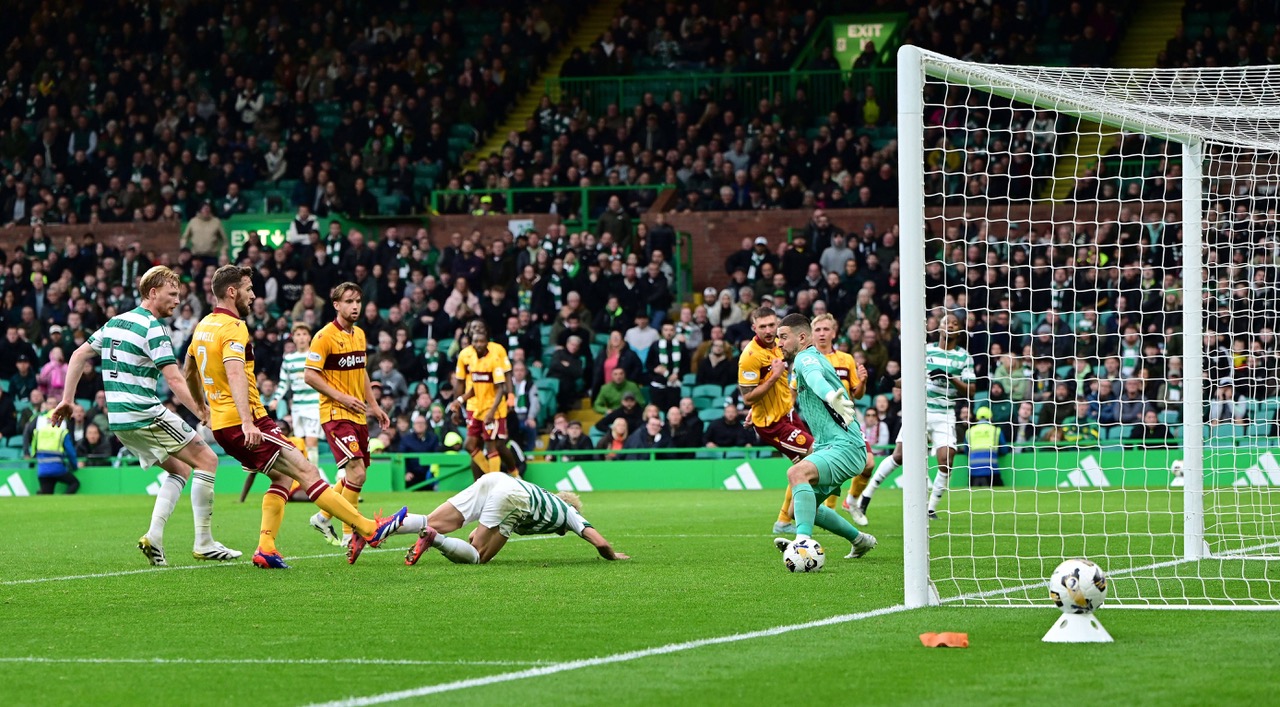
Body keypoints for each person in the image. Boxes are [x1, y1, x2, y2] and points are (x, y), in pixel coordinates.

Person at [193, 265, 404, 568]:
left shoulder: (204, 326)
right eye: (249, 289)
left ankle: (266, 547)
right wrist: (248, 421)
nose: (253, 295)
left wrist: (201, 408)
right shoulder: (234, 327)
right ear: (232, 292)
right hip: (249, 419)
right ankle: (368, 529)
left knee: (282, 478)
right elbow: (236, 372)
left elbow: (188, 365)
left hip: (226, 422)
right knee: (309, 473)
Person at [54, 265, 240, 565]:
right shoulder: (153, 328)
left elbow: (78, 355)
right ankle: (204, 542)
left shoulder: (116, 322)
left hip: (119, 421)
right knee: (208, 460)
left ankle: (154, 537)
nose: (177, 300)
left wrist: (67, 400)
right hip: (143, 413)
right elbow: (176, 379)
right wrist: (203, 412)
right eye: (172, 294)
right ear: (152, 292)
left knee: (180, 469)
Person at [772, 313, 877, 560]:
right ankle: (859, 540)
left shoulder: (805, 357)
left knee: (796, 473)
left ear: (801, 337)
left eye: (783, 337)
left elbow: (816, 379)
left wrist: (830, 396)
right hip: (829, 445)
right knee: (804, 510)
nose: (779, 343)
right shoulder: (806, 360)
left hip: (845, 445)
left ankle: (802, 543)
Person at [860, 313, 975, 521]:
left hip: (944, 413)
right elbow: (911, 379)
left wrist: (951, 378)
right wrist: (892, 383)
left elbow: (971, 391)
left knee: (947, 459)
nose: (950, 325)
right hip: (920, 411)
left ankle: (930, 509)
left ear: (959, 330)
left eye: (954, 323)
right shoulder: (927, 351)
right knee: (899, 456)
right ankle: (865, 496)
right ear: (939, 328)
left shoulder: (964, 357)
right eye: (946, 322)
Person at [303, 281, 392, 548]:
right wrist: (341, 397)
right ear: (336, 304)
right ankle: (349, 532)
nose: (355, 306)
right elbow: (309, 375)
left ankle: (323, 516)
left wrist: (374, 406)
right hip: (335, 413)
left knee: (358, 473)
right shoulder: (324, 336)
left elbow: (361, 371)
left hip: (357, 415)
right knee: (357, 474)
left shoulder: (360, 334)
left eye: (358, 301)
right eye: (349, 302)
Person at [399, 471, 628, 565]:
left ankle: (375, 528)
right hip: (515, 497)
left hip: (497, 479)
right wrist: (613, 556)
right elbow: (600, 542)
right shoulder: (569, 512)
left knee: (438, 520)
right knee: (478, 557)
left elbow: (473, 534)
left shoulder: (546, 498)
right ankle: (434, 538)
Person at [737, 306, 816, 535]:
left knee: (804, 467)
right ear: (754, 328)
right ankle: (795, 517)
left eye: (772, 325)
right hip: (772, 424)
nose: (769, 330)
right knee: (813, 456)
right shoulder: (749, 357)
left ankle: (784, 521)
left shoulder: (779, 346)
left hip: (787, 413)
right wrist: (772, 377)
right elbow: (747, 396)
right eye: (763, 326)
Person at [807, 313, 876, 525]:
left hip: (847, 421)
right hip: (821, 425)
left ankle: (851, 501)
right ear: (811, 333)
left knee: (869, 464)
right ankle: (800, 513)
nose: (821, 334)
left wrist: (863, 382)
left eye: (826, 329)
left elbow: (858, 393)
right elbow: (794, 391)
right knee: (813, 469)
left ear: (834, 332)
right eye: (817, 330)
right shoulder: (807, 360)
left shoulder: (846, 359)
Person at [449, 320, 516, 478]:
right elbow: (461, 382)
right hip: (473, 404)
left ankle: (512, 474)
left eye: (480, 328)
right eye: (473, 328)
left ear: (486, 335)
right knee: (474, 445)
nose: (476, 330)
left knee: (497, 444)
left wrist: (511, 396)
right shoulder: (466, 355)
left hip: (494, 405)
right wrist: (457, 404)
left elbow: (505, 376)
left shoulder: (496, 351)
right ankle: (481, 484)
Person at [277, 322, 322, 466]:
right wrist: (276, 399)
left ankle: (314, 473)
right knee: (299, 441)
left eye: (304, 334)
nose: (301, 338)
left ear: (309, 337)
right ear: (293, 338)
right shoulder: (289, 359)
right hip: (297, 406)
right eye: (298, 335)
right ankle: (305, 474)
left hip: (314, 403)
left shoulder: (315, 356)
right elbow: (284, 383)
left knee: (311, 440)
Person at [31, 400, 79, 494]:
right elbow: (70, 452)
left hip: (42, 470)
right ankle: (64, 501)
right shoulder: (61, 431)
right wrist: (74, 466)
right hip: (58, 469)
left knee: (47, 496)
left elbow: (33, 449)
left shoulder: (39, 431)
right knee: (74, 483)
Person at [965, 406, 1006, 486]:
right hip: (991, 471)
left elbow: (966, 451)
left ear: (977, 418)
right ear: (990, 417)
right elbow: (1004, 450)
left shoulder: (969, 432)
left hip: (973, 471)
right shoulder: (996, 430)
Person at [400, 415, 443, 489]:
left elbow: (437, 456)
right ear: (413, 425)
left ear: (426, 425)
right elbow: (401, 457)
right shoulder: (406, 439)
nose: (420, 425)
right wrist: (406, 472)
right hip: (412, 474)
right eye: (417, 423)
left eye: (422, 423)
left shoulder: (433, 438)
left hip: (429, 473)